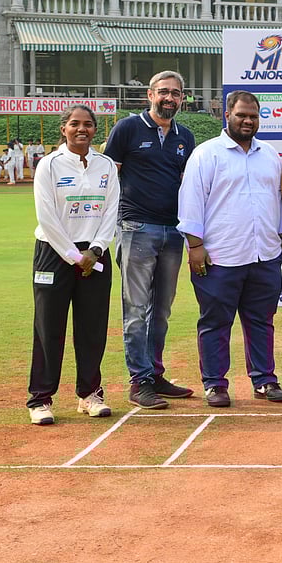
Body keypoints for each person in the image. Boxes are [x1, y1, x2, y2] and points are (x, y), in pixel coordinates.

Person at [178, 90, 282, 407]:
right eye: (241, 114)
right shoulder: (207, 154)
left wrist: (281, 240)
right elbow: (190, 201)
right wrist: (195, 245)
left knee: (261, 321)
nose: (248, 120)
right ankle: (215, 384)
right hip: (220, 257)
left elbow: (278, 202)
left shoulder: (269, 154)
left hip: (264, 256)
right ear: (226, 115)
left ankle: (265, 381)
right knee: (215, 323)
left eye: (253, 115)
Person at [104, 70, 197, 409]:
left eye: (175, 93)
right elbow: (108, 178)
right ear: (149, 94)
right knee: (136, 310)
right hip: (136, 228)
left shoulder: (185, 136)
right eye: (163, 92)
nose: (169, 98)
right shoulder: (127, 128)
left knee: (161, 311)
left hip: (172, 232)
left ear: (182, 98)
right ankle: (139, 381)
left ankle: (155, 374)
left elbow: (189, 187)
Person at [26, 105, 120, 426]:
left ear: (95, 130)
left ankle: (90, 393)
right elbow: (47, 217)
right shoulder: (48, 165)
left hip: (94, 253)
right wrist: (73, 255)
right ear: (63, 129)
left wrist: (94, 250)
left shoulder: (105, 165)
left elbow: (110, 212)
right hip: (54, 253)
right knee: (49, 326)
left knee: (92, 327)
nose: (82, 129)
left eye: (89, 125)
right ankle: (40, 398)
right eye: (75, 124)